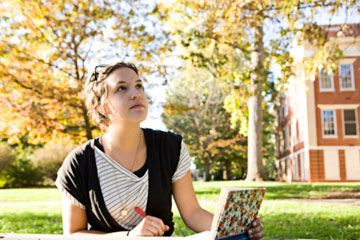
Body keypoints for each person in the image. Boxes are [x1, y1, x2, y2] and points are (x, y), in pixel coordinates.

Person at [55, 61, 264, 239]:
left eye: (139, 86)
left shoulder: (169, 147)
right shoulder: (79, 164)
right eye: (122, 88)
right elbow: (74, 234)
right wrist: (129, 236)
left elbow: (192, 213)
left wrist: (234, 228)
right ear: (102, 107)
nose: (135, 94)